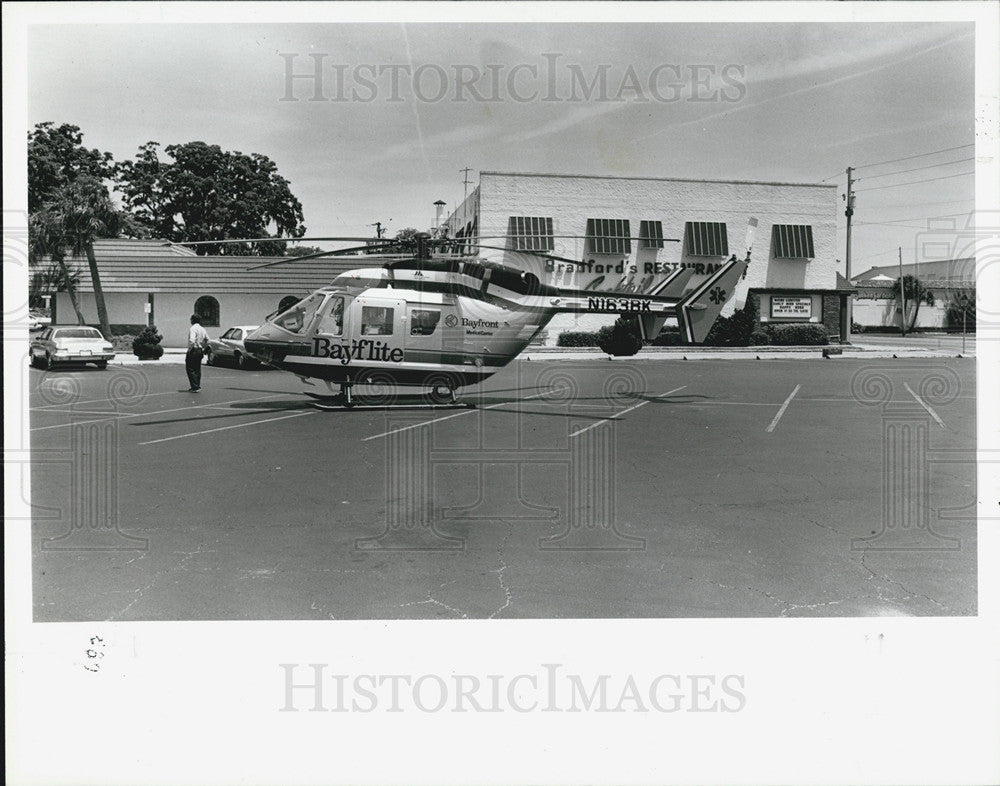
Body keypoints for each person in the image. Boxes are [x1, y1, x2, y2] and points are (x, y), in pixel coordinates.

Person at [186, 314, 210, 391]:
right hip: (200, 350)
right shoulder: (203, 329)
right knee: (197, 368)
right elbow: (208, 339)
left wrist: (190, 349)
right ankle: (197, 385)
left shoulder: (192, 328)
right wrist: (204, 348)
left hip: (194, 349)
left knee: (190, 368)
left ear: (193, 320)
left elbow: (192, 340)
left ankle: (194, 386)